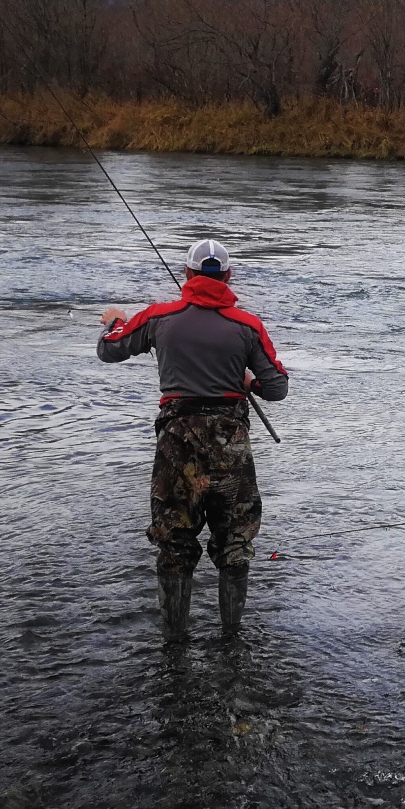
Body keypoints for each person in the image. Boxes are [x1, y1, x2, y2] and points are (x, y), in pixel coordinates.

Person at [96, 239, 289, 639]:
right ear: (228, 276)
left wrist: (112, 321)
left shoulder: (157, 317)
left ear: (186, 275)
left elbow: (109, 351)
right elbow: (277, 388)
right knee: (235, 541)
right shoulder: (249, 326)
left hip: (176, 443)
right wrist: (245, 378)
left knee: (174, 541)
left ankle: (174, 644)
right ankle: (232, 639)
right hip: (230, 445)